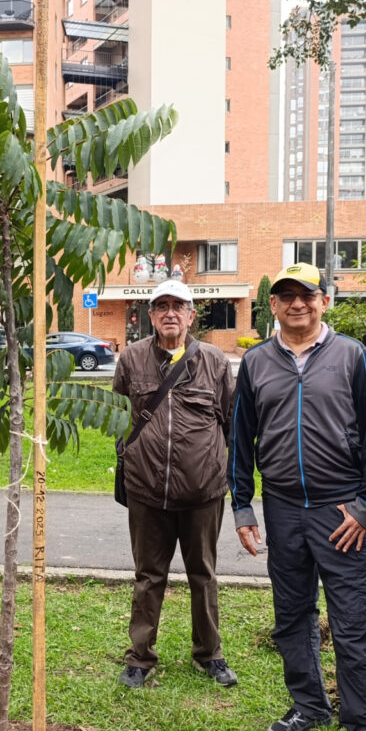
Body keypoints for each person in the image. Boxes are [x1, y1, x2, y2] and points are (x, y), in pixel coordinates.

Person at [228, 262, 366, 731]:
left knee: (354, 624)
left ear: (324, 301)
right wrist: (242, 506)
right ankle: (309, 705)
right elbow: (241, 440)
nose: (297, 304)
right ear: (272, 306)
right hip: (282, 509)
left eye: (307, 295)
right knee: (292, 617)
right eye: (286, 296)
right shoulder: (256, 363)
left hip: (340, 510)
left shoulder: (351, 356)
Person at [112, 280, 238, 690]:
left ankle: (209, 655)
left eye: (177, 306)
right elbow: (119, 417)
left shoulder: (216, 362)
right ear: (150, 315)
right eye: (161, 306)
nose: (169, 313)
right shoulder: (131, 358)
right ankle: (140, 658)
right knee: (148, 576)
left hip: (203, 492)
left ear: (190, 315)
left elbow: (230, 421)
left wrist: (226, 476)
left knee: (204, 574)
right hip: (147, 490)